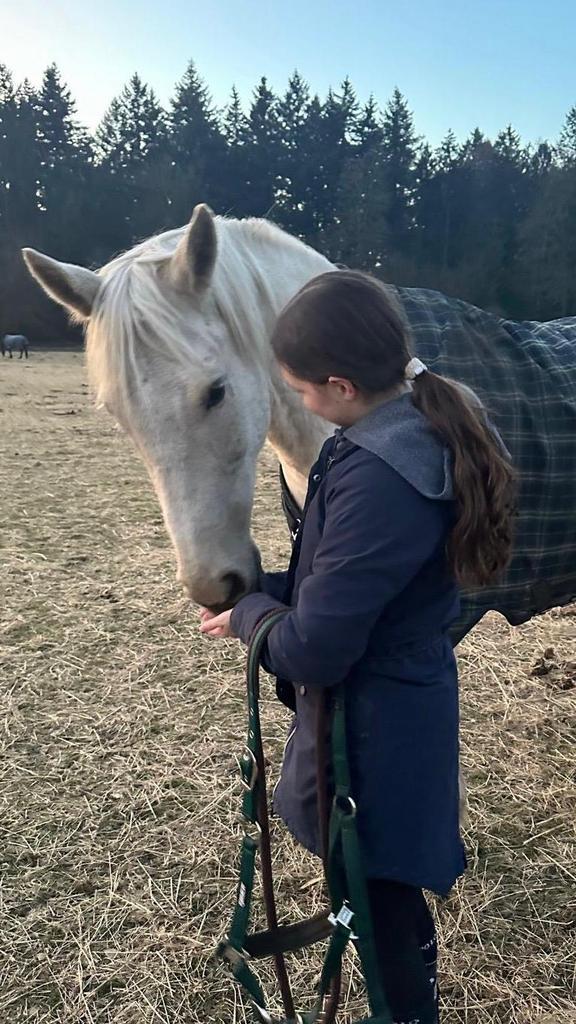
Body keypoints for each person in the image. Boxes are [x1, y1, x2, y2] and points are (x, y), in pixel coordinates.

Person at [200, 270, 515, 1024]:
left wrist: (253, 620)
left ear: (340, 385)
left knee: (375, 897)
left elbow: (312, 650)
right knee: (380, 889)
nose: (301, 403)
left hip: (376, 732)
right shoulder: (392, 432)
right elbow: (339, 575)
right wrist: (255, 593)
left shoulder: (382, 474)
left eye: (302, 390)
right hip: (382, 713)